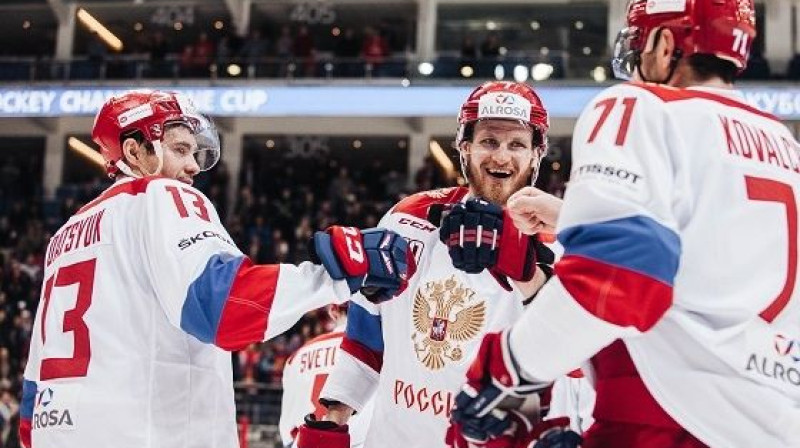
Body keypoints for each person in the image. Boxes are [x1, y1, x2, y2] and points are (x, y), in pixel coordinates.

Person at [446, 0, 800, 446]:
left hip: (667, 414)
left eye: (640, 42)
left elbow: (619, 275)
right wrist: (571, 215)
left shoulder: (641, 106)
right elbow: (709, 253)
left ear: (665, 44)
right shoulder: (784, 143)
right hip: (776, 420)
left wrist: (506, 367)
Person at [19, 90, 413, 448]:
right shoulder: (159, 195)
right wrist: (339, 274)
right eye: (179, 149)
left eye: (195, 152)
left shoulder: (63, 238)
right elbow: (224, 306)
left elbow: (31, 395)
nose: (193, 166)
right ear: (134, 151)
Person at [293, 81, 590, 448]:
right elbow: (367, 336)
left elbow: (579, 360)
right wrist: (334, 416)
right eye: (489, 141)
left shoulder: (563, 238)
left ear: (536, 154)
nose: (501, 157)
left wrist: (532, 274)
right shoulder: (407, 220)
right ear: (464, 147)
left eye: (516, 144)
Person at [279, 304, 374, 447]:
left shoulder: (297, 356)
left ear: (333, 311)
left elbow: (287, 428)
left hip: (306, 442)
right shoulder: (378, 351)